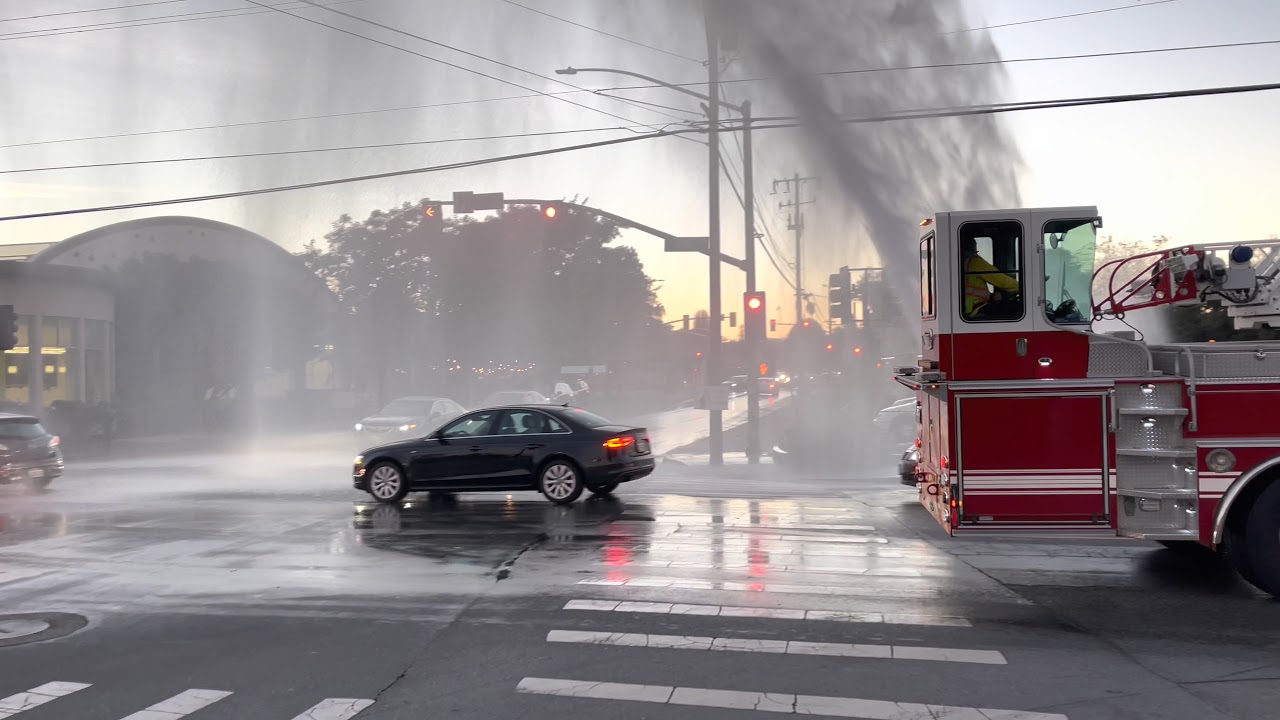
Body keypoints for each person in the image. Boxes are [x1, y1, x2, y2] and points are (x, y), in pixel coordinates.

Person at [961, 236, 1020, 319]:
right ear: (972, 249)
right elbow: (1002, 281)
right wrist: (1022, 288)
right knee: (1016, 307)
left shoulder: (961, 262)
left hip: (967, 309)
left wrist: (991, 296)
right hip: (975, 309)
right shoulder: (974, 262)